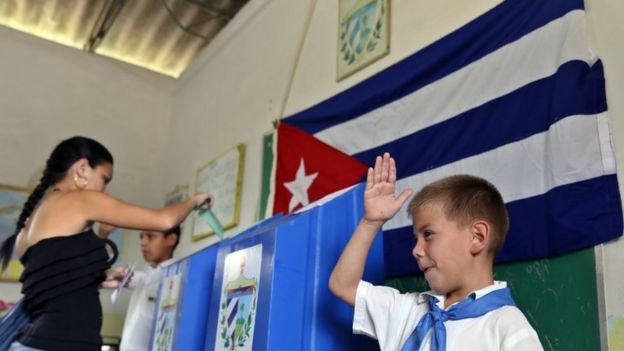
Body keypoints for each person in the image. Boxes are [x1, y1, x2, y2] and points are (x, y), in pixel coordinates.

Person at [0, 136, 213, 351]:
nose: (104, 191)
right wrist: (194, 200)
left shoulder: (30, 225)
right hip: (59, 343)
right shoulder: (81, 200)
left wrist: (98, 277)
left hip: (32, 342)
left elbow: (54, 282)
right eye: (104, 179)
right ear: (82, 169)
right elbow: (164, 221)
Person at [329, 153, 543, 351]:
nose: (415, 250)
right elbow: (343, 285)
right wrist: (370, 222)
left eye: (428, 234)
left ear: (477, 237)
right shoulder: (410, 311)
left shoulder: (508, 327)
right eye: (416, 238)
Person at [118, 226, 182, 351]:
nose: (142, 242)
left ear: (171, 240)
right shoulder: (145, 276)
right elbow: (116, 277)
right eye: (141, 237)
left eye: (150, 236)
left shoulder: (178, 278)